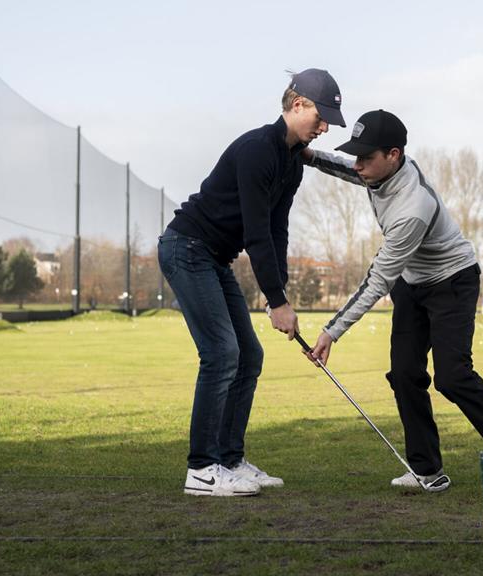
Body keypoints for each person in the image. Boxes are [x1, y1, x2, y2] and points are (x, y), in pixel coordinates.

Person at [302, 110, 483, 492]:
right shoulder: (378, 172)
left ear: (394, 155)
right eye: (357, 155)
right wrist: (309, 156)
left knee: (453, 376)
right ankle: (427, 469)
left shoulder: (412, 207)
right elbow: (348, 169)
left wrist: (331, 332)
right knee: (404, 374)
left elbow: (377, 280)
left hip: (452, 281)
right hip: (412, 283)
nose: (359, 164)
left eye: (366, 157)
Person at [159, 69, 346, 496]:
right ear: (297, 104)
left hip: (214, 258)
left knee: (249, 356)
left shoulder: (292, 164)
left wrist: (279, 290)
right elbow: (256, 232)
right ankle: (201, 469)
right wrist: (276, 301)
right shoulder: (257, 150)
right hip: (187, 248)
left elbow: (277, 230)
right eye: (321, 117)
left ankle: (229, 460)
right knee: (222, 353)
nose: (324, 128)